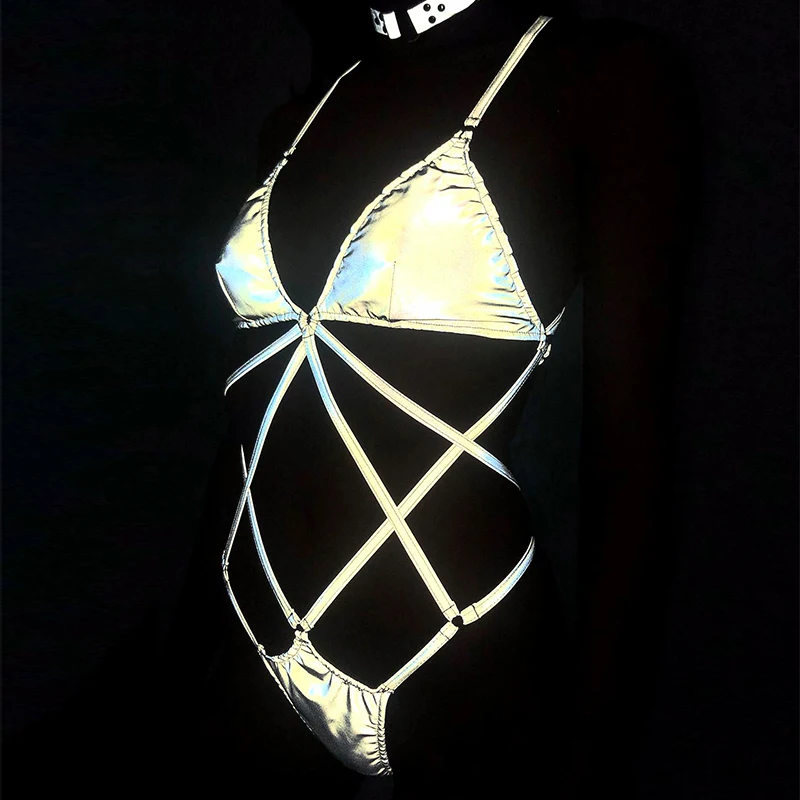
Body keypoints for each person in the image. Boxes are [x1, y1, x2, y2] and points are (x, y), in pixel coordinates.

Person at [166, 2, 694, 796]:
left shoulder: (599, 77)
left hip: (459, 639)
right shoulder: (296, 121)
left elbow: (631, 447)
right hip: (250, 628)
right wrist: (181, 658)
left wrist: (596, 746)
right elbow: (251, 417)